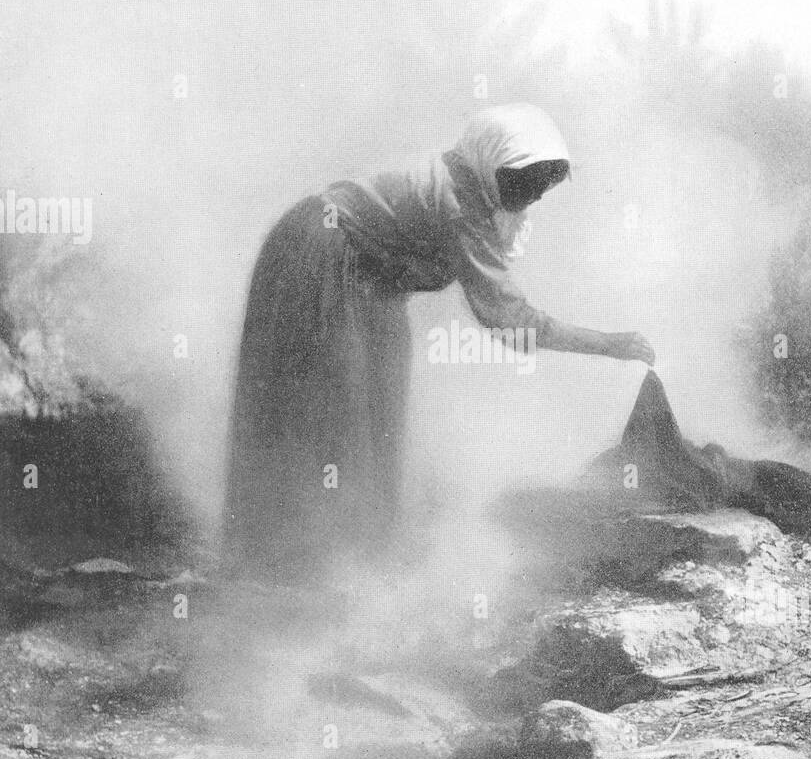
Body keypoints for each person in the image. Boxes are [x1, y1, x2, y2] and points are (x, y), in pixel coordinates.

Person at [223, 103, 654, 577]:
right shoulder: (463, 206)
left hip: (361, 278)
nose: (527, 197)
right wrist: (608, 344)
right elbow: (511, 320)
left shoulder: (469, 183)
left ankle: (345, 557)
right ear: (491, 164)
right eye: (521, 183)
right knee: (329, 403)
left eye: (538, 187)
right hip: (319, 257)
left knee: (374, 401)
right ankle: (296, 564)